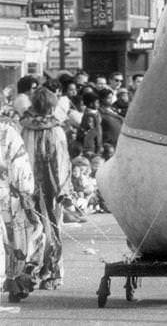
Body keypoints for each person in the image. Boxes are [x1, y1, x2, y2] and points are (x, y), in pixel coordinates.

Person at [18, 87, 72, 290]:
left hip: (30, 187)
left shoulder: (24, 127)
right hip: (50, 188)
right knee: (52, 229)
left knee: (31, 229)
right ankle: (51, 273)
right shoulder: (56, 130)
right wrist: (65, 190)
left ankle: (34, 272)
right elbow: (63, 163)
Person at [0, 106, 43, 302]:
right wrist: (26, 190)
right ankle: (14, 284)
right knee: (13, 242)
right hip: (6, 196)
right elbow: (20, 166)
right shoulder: (7, 132)